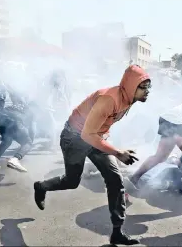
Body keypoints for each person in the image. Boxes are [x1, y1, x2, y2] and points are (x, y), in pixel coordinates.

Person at [33, 65, 151, 245]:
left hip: (95, 137)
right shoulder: (109, 99)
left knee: (115, 180)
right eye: (143, 87)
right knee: (71, 182)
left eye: (148, 87)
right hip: (75, 138)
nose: (147, 91)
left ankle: (117, 232)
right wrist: (118, 152)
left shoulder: (128, 99)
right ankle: (41, 186)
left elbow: (99, 129)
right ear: (130, 86)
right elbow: (86, 135)